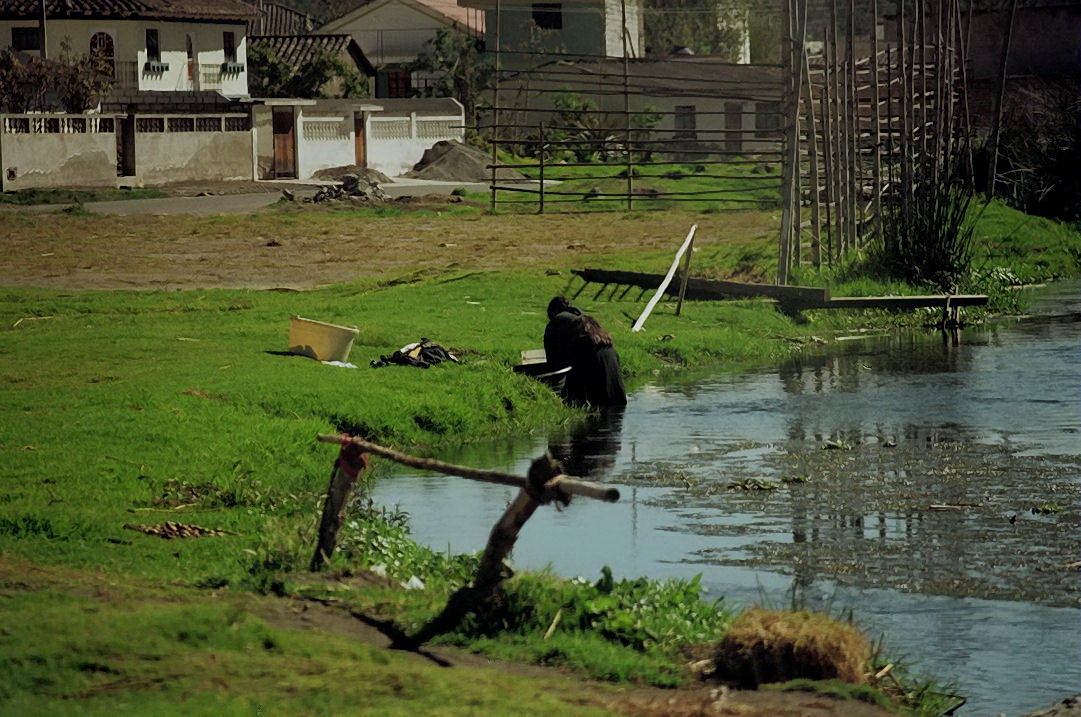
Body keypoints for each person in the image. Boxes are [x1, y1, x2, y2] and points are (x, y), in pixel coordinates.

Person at [543, 296, 627, 407]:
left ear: (553, 312)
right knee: (614, 406)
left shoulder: (556, 322)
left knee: (593, 406)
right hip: (610, 355)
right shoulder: (584, 318)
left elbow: (553, 362)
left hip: (590, 357)